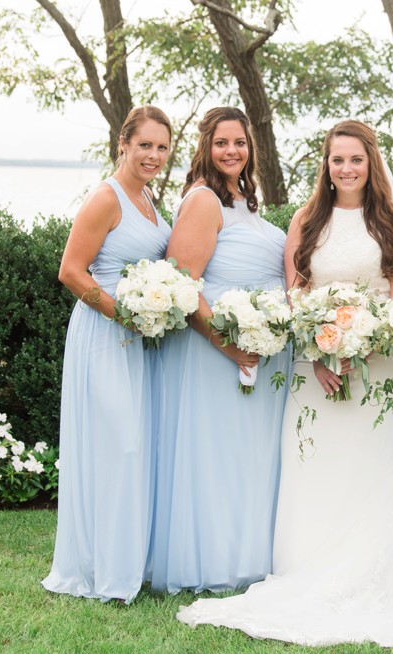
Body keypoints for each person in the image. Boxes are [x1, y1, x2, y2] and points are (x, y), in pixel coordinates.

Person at [176, 120, 393, 647]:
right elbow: (296, 292)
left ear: (372, 164)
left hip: (379, 370)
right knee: (313, 466)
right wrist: (321, 347)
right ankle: (303, 567)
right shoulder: (306, 218)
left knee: (370, 470)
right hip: (310, 370)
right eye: (337, 159)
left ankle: (373, 571)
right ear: (326, 164)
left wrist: (359, 345)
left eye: (356, 160)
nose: (346, 168)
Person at [149, 107, 288, 593]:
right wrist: (230, 347)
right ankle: (210, 563)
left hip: (257, 352)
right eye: (222, 142)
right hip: (214, 355)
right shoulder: (204, 200)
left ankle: (247, 555)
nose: (232, 151)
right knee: (216, 456)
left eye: (240, 143)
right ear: (206, 147)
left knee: (246, 457)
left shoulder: (246, 201)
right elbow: (183, 290)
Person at [41, 105, 174, 603]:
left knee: (136, 447)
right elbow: (72, 272)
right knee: (116, 445)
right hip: (104, 334)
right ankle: (102, 572)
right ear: (123, 144)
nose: (154, 155)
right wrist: (127, 316)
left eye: (162, 147)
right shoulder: (106, 197)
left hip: (140, 339)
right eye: (145, 145)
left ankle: (129, 563)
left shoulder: (149, 201)